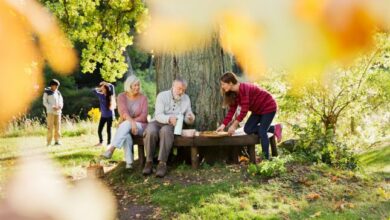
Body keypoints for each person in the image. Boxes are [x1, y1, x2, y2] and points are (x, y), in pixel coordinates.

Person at [216, 72, 282, 160]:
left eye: (223, 84)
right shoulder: (233, 93)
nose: (222, 87)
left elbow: (244, 110)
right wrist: (223, 125)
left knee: (262, 131)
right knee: (248, 129)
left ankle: (266, 159)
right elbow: (232, 110)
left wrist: (234, 125)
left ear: (230, 83)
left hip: (268, 106)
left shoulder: (244, 88)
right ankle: (274, 128)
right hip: (257, 110)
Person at [143, 78, 195, 177]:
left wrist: (190, 118)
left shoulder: (186, 98)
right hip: (158, 121)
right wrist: (169, 118)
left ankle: (162, 163)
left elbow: (188, 114)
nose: (181, 92)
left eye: (183, 90)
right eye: (179, 89)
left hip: (172, 125)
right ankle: (148, 162)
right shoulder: (162, 96)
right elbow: (158, 115)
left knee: (166, 131)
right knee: (150, 131)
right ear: (173, 86)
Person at [101, 75, 148, 169]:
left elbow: (143, 117)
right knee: (126, 134)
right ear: (129, 86)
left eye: (138, 85)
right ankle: (129, 164)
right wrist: (132, 123)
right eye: (134, 85)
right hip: (127, 126)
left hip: (141, 127)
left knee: (126, 124)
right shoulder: (121, 96)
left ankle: (111, 149)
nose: (137, 87)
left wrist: (132, 122)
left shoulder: (143, 98)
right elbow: (124, 113)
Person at [93, 81, 116, 147]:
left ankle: (109, 143)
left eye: (103, 89)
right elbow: (93, 90)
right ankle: (101, 142)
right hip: (103, 116)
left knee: (108, 130)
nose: (102, 90)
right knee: (99, 130)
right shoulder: (100, 95)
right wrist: (100, 89)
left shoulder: (111, 95)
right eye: (101, 89)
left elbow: (112, 86)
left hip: (110, 116)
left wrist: (106, 84)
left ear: (106, 89)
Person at [43, 79, 63, 146]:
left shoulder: (58, 92)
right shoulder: (46, 92)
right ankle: (49, 142)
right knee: (50, 127)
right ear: (52, 85)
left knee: (58, 127)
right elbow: (45, 102)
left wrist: (60, 106)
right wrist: (52, 107)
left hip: (58, 112)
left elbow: (61, 101)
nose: (57, 87)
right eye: (56, 86)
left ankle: (57, 141)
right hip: (50, 112)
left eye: (57, 86)